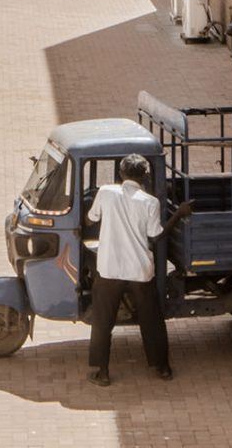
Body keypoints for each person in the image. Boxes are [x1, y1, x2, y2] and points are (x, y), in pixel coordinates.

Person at [84, 155, 187, 385]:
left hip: (109, 268)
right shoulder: (150, 202)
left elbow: (91, 219)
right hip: (139, 270)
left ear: (121, 174)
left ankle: (102, 372)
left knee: (102, 321)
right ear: (145, 177)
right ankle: (162, 368)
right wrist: (178, 214)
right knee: (151, 320)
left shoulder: (106, 193)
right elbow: (157, 235)